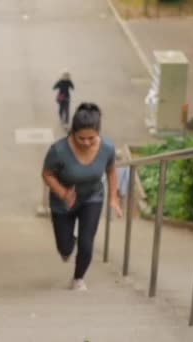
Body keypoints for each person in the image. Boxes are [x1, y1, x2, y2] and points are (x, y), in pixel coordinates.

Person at [42, 102, 123, 291]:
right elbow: (46, 174)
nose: (86, 142)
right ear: (72, 133)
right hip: (63, 202)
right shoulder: (58, 150)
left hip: (92, 198)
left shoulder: (107, 148)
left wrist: (113, 198)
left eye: (91, 139)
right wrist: (62, 192)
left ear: (98, 133)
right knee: (65, 248)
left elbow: (111, 171)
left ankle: (78, 278)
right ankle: (69, 247)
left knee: (87, 242)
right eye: (81, 138)